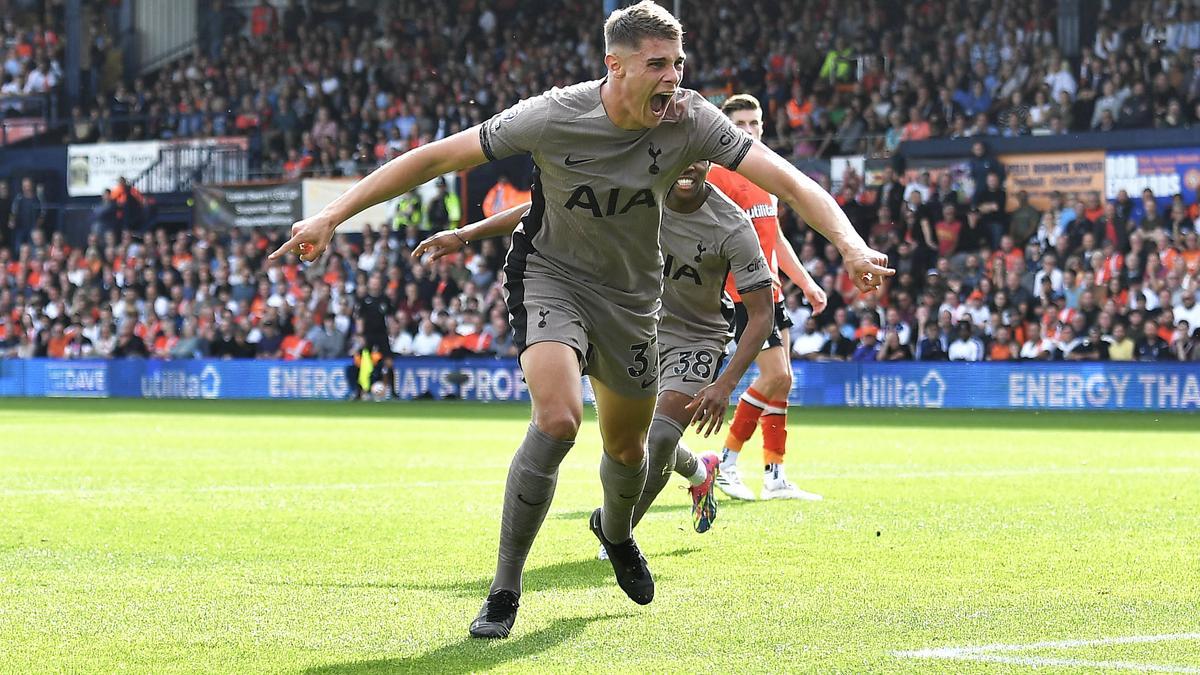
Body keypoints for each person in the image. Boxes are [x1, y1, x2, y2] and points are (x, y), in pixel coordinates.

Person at [270, 0, 890, 640]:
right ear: (614, 66)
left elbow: (792, 183)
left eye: (678, 63)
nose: (672, 77)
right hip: (550, 277)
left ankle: (617, 534)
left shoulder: (691, 120)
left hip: (631, 300)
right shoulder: (554, 114)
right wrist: (330, 216)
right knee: (560, 417)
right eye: (657, 64)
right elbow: (435, 158)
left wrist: (849, 245)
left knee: (627, 447)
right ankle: (504, 588)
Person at [418, 157, 777, 542]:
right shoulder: (639, 191)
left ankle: (615, 537)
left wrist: (725, 385)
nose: (687, 166)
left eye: (698, 157)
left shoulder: (733, 225)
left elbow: (761, 314)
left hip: (696, 337)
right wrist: (466, 234)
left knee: (657, 439)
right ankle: (700, 472)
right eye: (682, 154)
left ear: (711, 161)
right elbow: (548, 207)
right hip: (635, 324)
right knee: (635, 441)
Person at [707, 94, 828, 503]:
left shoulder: (767, 172)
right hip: (741, 291)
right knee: (775, 376)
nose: (748, 130)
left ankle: (775, 475)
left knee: (784, 381)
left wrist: (806, 282)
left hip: (771, 288)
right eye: (739, 123)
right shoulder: (719, 174)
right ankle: (724, 462)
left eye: (754, 123)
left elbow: (773, 235)